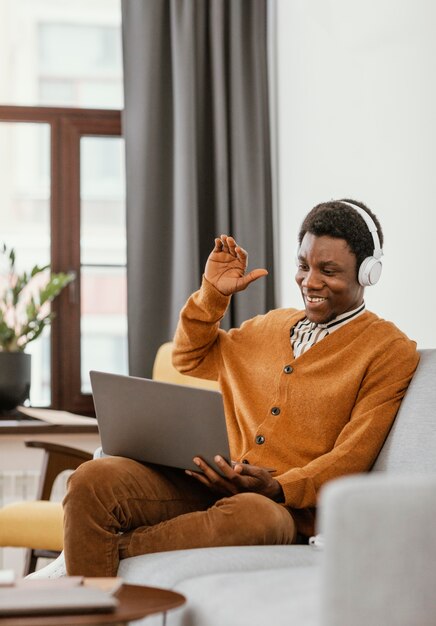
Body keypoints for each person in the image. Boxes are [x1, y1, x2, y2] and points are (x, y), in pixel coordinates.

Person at [61, 198, 419, 577]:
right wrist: (213, 294)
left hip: (281, 508)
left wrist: (278, 487)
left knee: (254, 519)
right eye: (303, 266)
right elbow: (189, 358)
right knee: (91, 480)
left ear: (367, 273)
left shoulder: (389, 350)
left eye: (328, 271)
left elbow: (352, 455)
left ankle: (95, 554)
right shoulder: (270, 326)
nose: (310, 282)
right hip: (206, 481)